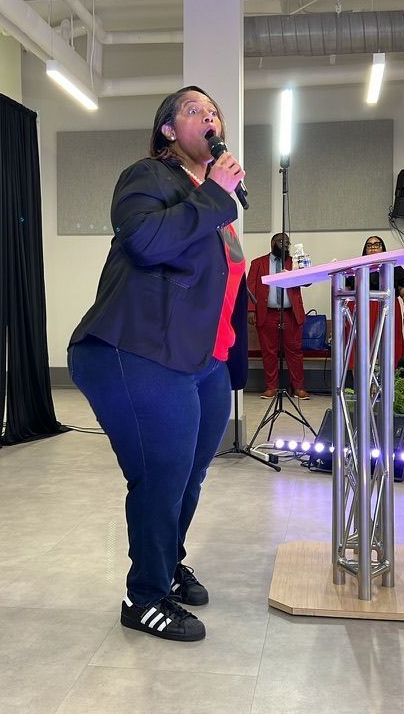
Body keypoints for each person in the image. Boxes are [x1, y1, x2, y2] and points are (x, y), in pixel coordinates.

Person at [68, 86, 247, 643]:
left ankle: (168, 563)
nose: (209, 118)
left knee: (189, 477)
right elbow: (145, 242)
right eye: (194, 111)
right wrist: (217, 194)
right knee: (161, 477)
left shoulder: (211, 200)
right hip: (135, 351)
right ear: (169, 131)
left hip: (203, 360)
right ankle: (143, 596)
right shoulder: (148, 176)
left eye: (214, 111)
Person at [248, 233, 309, 400]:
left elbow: (307, 282)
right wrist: (251, 310)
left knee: (294, 351)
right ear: (272, 243)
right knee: (269, 352)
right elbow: (250, 287)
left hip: (290, 313)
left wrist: (303, 268)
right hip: (267, 313)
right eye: (281, 241)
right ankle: (271, 387)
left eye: (287, 242)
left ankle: (298, 387)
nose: (285, 244)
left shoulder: (294, 262)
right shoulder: (258, 263)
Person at [346, 236, 404, 333]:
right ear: (365, 250)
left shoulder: (394, 267)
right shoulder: (357, 269)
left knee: (389, 343)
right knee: (361, 344)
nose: (373, 247)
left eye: (376, 245)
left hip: (388, 311)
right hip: (360, 312)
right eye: (369, 245)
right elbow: (346, 293)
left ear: (382, 248)